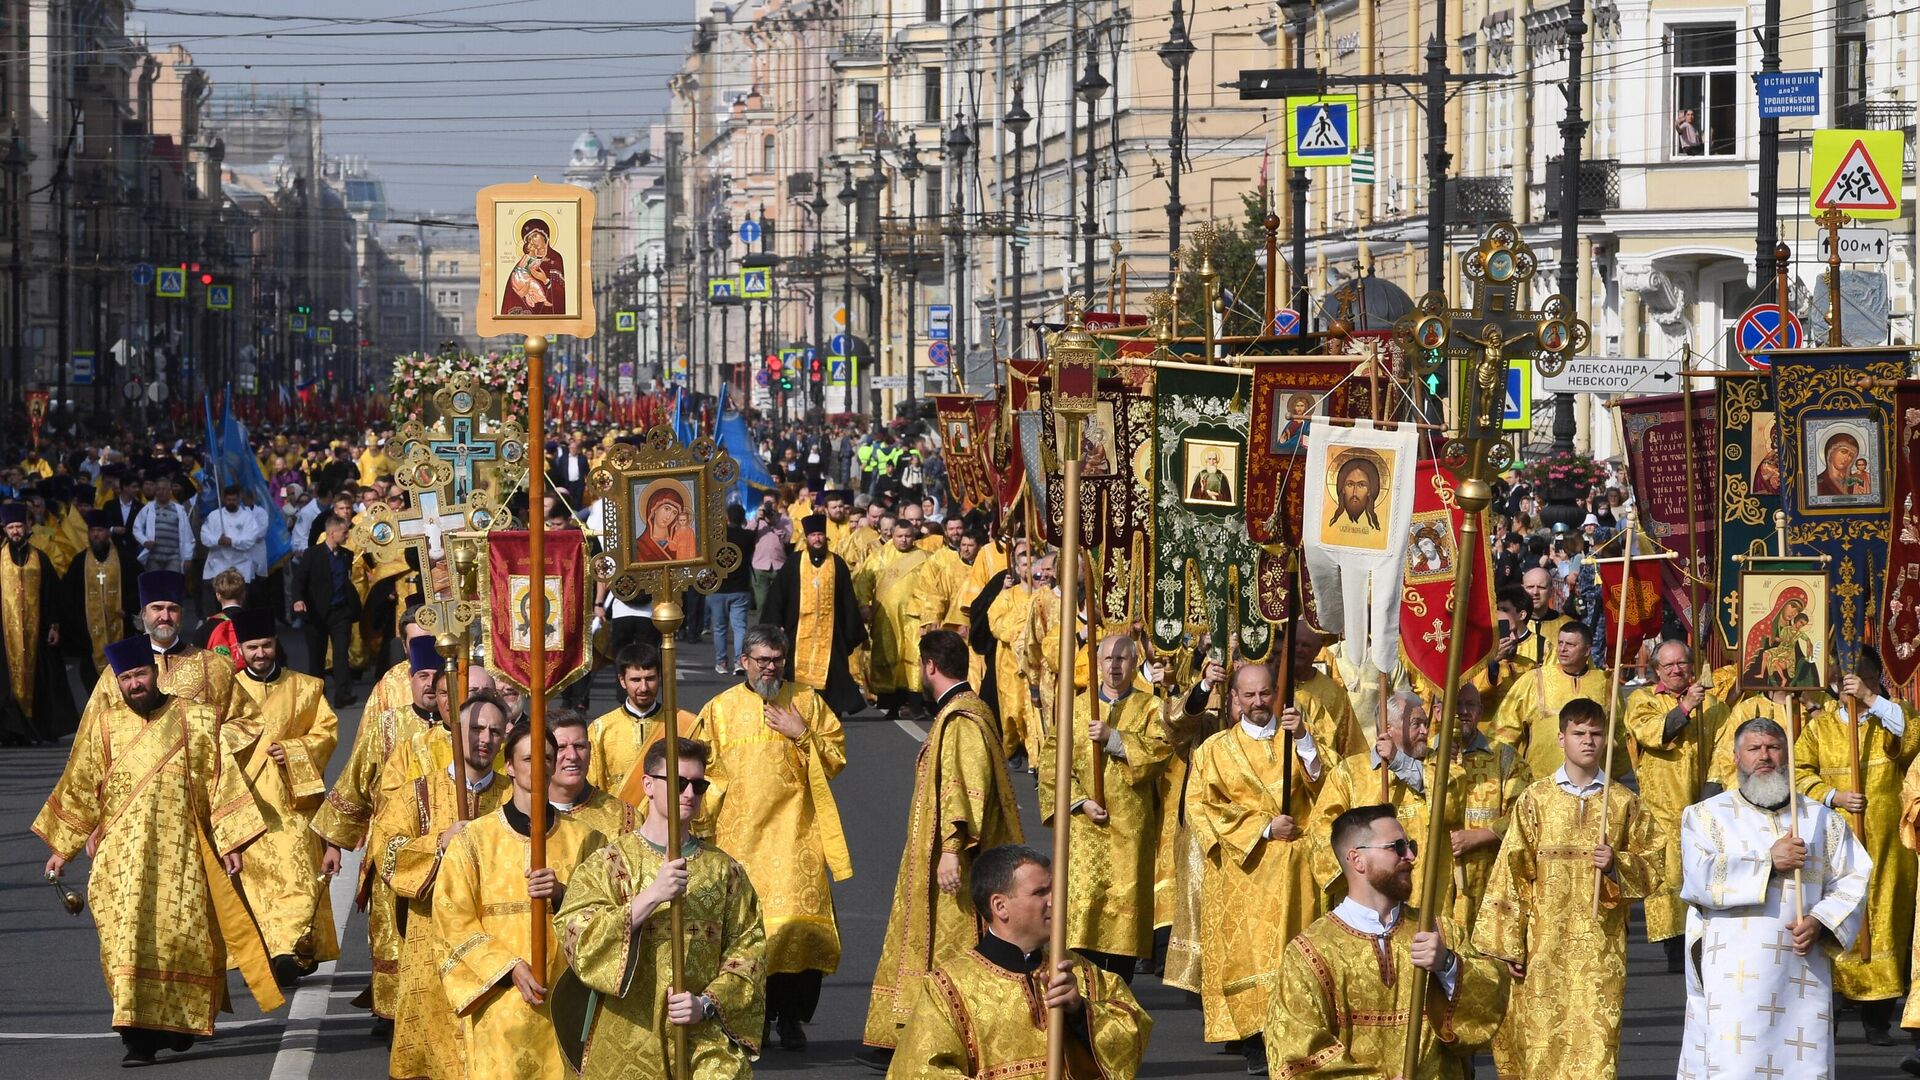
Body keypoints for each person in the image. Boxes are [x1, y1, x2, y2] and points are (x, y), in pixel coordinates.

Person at [33, 634, 277, 1066]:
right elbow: (80, 788)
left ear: (154, 672)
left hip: (182, 854)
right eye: (125, 678)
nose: (134, 684)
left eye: (140, 674)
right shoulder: (105, 726)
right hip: (119, 859)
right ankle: (136, 1037)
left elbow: (219, 781)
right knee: (124, 941)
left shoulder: (197, 719)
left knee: (181, 939)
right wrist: (63, 847)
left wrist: (230, 841)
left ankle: (177, 1025)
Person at [551, 737, 768, 1079]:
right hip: (627, 1034)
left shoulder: (724, 870)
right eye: (679, 782)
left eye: (699, 785)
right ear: (648, 785)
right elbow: (577, 936)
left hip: (701, 1038)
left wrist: (706, 1003)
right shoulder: (609, 863)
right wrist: (650, 896)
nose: (690, 794)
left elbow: (749, 951)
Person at [1188, 657, 1365, 1072]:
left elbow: (1335, 786)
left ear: (1278, 694)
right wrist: (1263, 827)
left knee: (1295, 953)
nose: (1257, 702)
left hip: (1296, 871)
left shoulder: (1300, 739)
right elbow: (1201, 808)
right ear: (1233, 699)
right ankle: (1254, 1041)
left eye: (1265, 693)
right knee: (1250, 956)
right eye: (1248, 695)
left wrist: (1303, 739)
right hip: (1243, 872)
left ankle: (1297, 1036)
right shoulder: (1215, 749)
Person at [1473, 698, 1664, 1078]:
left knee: (1596, 1044)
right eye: (1579, 733)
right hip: (1544, 943)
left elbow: (1655, 864)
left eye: (1595, 734)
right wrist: (1510, 943)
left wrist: (1616, 865)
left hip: (1600, 945)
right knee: (1541, 1039)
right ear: (1561, 738)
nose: (1588, 741)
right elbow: (1512, 870)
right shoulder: (1537, 799)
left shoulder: (1624, 803)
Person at [863, 629, 1024, 1065]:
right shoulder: (969, 710)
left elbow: (965, 785)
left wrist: (953, 848)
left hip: (955, 857)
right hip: (938, 851)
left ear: (929, 666)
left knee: (954, 942)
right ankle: (916, 1028)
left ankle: (951, 1030)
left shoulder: (960, 719)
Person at [1678, 717, 1870, 1079]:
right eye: (1754, 749)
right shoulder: (1705, 817)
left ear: (1787, 756)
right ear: (1736, 758)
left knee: (1801, 1065)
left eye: (1773, 748)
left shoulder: (1820, 819)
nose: (1764, 756)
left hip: (1801, 970)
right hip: (1733, 972)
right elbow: (1698, 879)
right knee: (1734, 1064)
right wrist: (1767, 862)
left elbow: (1852, 878)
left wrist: (1821, 921)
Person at [687, 623, 849, 1050]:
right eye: (762, 661)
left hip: (797, 835)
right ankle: (749, 1015)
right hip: (739, 841)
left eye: (777, 660)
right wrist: (700, 830)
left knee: (798, 927)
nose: (771, 668)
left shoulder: (807, 702)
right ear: (744, 662)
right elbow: (700, 775)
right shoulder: (719, 710)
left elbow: (836, 759)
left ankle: (790, 1015)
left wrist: (802, 734)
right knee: (747, 933)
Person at [1264, 805, 1506, 1076]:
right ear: (1357, 859)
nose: (1411, 856)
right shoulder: (1311, 952)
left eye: (1411, 845)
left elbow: (1489, 1009)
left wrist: (1448, 965)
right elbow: (1297, 1056)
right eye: (1397, 847)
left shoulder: (1440, 932)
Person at [434, 718, 605, 1080]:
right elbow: (452, 916)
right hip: (500, 1000)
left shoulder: (587, 840)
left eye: (547, 757)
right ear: (509, 766)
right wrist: (508, 967)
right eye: (528, 759)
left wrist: (562, 895)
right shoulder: (475, 840)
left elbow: (607, 916)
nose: (539, 766)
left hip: (565, 1000)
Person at [891, 845, 1153, 1077]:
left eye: (1054, 889)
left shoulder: (1078, 971)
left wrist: (1080, 1012)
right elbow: (921, 1070)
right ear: (1000, 906)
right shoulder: (947, 987)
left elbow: (1133, 1028)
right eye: (1041, 892)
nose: (1055, 900)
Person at [371, 686, 512, 1080]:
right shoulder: (418, 791)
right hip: (429, 941)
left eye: (495, 732)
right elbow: (387, 852)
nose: (485, 739)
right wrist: (440, 842)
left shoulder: (513, 796)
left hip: (491, 939)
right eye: (476, 728)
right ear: (455, 729)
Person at [311, 627, 441, 1035]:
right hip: (392, 850)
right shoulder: (387, 727)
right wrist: (335, 844)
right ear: (412, 679)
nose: (431, 687)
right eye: (424, 678)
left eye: (439, 679)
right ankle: (390, 1012)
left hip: (447, 850)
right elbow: (354, 784)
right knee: (389, 934)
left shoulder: (466, 728)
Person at [1793, 651, 1915, 1045]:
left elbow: (1912, 739)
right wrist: (1834, 796)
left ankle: (1877, 1019)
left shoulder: (1891, 717)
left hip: (1888, 845)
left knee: (1885, 923)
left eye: (1863, 679)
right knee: (1838, 916)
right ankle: (1831, 1014)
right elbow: (1797, 773)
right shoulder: (1822, 726)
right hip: (1836, 844)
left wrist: (1870, 699)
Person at [1039, 632, 1172, 984]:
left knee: (1124, 914)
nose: (1114, 667)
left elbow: (1160, 751)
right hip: (1085, 830)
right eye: (1108, 660)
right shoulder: (1075, 707)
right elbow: (1052, 764)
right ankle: (1081, 986)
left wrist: (1115, 740)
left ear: (1133, 664)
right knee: (1084, 914)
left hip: (1129, 829)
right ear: (1097, 664)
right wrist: (1080, 802)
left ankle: (1120, 989)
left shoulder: (1149, 707)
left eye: (1122, 660)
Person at [228, 609, 341, 987]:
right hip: (247, 802)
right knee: (256, 885)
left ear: (276, 644)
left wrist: (294, 749)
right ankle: (269, 955)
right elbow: (213, 741)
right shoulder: (228, 691)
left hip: (293, 801)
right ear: (241, 648)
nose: (260, 653)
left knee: (298, 876)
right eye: (252, 647)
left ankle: (290, 951)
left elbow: (326, 733)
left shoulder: (306, 688)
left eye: (266, 645)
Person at [1625, 638, 1729, 971]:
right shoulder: (1643, 700)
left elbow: (1726, 751)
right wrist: (1685, 709)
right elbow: (1653, 733)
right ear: (1656, 670)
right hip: (1661, 806)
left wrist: (1713, 788)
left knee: (1706, 873)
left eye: (1682, 663)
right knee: (1669, 877)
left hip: (1704, 800)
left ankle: (1707, 942)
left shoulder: (1713, 705)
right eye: (1668, 665)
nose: (1676, 670)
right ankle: (1674, 946)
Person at [1309, 691, 1463, 913]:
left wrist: (1399, 763)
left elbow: (1451, 802)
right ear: (1387, 730)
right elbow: (1320, 828)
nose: (1425, 731)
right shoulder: (1348, 774)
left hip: (1425, 896)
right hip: (1367, 895)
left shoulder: (1440, 766)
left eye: (1426, 724)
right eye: (1416, 724)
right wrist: (1356, 867)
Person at [1492, 619, 1630, 781]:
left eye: (1570, 645)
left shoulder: (1606, 683)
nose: (1563, 649)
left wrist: (1611, 775)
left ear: (1587, 650)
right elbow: (1504, 730)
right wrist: (1509, 775)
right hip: (1540, 783)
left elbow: (1621, 734)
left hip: (1594, 783)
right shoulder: (1534, 679)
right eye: (1560, 643)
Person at [763, 512, 869, 717]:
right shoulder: (794, 562)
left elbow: (847, 598)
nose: (817, 539)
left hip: (831, 632)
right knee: (794, 670)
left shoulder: (837, 563)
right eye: (813, 536)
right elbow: (778, 594)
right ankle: (798, 707)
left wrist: (850, 632)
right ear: (807, 538)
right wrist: (774, 624)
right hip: (798, 629)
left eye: (820, 534)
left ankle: (831, 711)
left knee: (833, 671)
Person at [1447, 684, 1531, 930]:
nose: (1463, 711)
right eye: (1456, 705)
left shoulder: (1504, 756)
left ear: (1481, 711)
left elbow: (1525, 809)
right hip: (1441, 882)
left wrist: (1479, 837)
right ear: (1440, 711)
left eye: (1470, 705)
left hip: (1492, 876)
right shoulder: (1426, 755)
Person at [0, 501, 73, 744]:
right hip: (5, 634)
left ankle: (37, 730)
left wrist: (54, 625)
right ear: (4, 529)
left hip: (36, 632)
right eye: (10, 527)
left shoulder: (39, 558)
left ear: (27, 526)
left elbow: (52, 594)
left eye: (18, 526)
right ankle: (10, 733)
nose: (15, 531)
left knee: (41, 681)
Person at [585, 642, 694, 797]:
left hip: (671, 818)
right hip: (618, 817)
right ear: (622, 681)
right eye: (636, 680)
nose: (644, 687)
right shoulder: (601, 729)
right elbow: (591, 783)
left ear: (660, 677)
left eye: (650, 679)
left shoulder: (685, 723)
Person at [855, 519, 934, 719]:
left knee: (914, 658)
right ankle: (891, 705)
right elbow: (864, 580)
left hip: (914, 617)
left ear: (914, 536)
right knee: (889, 655)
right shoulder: (879, 556)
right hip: (886, 617)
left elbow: (934, 586)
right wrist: (864, 604)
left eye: (908, 536)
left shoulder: (925, 558)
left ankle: (915, 705)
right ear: (892, 535)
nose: (904, 540)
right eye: (900, 536)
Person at [296, 513, 363, 707]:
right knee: (316, 657)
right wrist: (299, 600)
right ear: (332, 533)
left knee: (341, 654)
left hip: (340, 613)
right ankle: (318, 697)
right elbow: (299, 580)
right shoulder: (312, 554)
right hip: (317, 613)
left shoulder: (346, 555)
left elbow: (346, 581)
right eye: (344, 532)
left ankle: (343, 694)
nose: (347, 536)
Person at [63, 506, 138, 680]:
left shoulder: (125, 560)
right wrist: (79, 622)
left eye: (100, 530)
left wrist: (127, 609)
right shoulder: (79, 562)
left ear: (108, 532)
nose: (96, 535)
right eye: (92, 531)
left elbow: (136, 589)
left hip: (121, 630)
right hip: (88, 637)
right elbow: (69, 597)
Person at [984, 544, 1039, 764]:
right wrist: (1019, 632)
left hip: (1035, 662)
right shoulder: (1007, 595)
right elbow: (995, 622)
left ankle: (1032, 752)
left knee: (1033, 709)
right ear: (1017, 568)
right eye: (1024, 564)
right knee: (1013, 709)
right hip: (1010, 661)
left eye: (1031, 565)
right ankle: (1011, 746)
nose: (1028, 569)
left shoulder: (1042, 595)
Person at [548, 707, 640, 837]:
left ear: (590, 750)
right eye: (561, 748)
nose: (573, 756)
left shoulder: (623, 818)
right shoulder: (522, 813)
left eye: (579, 746)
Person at [707, 502, 754, 676]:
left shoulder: (716, 536)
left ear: (726, 518)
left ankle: (721, 662)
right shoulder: (748, 536)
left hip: (717, 587)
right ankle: (739, 662)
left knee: (719, 628)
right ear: (743, 519)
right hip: (740, 587)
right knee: (740, 627)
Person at [198, 483, 261, 611]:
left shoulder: (247, 517)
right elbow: (204, 537)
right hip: (217, 566)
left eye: (234, 499)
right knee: (215, 605)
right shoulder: (214, 516)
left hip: (241, 565)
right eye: (228, 500)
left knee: (240, 605)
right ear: (223, 499)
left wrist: (232, 541)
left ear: (239, 499)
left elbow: (251, 539)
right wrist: (218, 540)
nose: (231, 502)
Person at [131, 476, 193, 573]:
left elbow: (188, 536)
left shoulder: (179, 510)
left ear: (169, 490)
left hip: (173, 557)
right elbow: (136, 528)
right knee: (154, 586)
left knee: (172, 586)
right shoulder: (148, 508)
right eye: (158, 489)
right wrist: (145, 541)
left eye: (164, 489)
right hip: (153, 557)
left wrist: (188, 557)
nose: (161, 492)